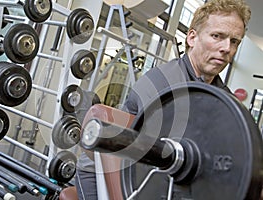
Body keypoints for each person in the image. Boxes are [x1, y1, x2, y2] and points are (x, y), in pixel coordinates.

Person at [74, 0, 251, 199]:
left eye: (234, 41)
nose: (226, 48)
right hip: (105, 171)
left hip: (159, 171)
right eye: (217, 36)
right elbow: (153, 158)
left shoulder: (222, 96)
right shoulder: (163, 83)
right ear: (192, 38)